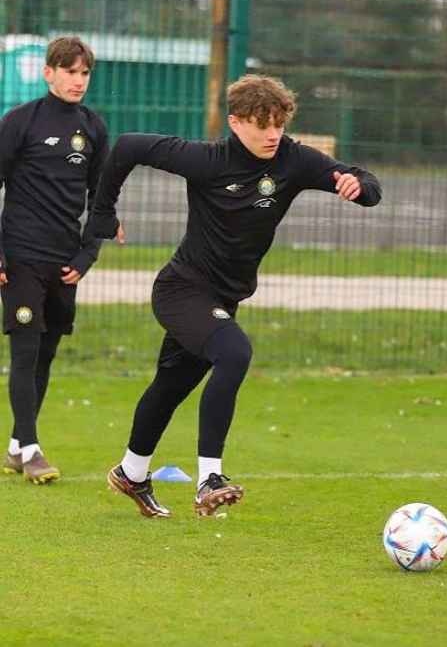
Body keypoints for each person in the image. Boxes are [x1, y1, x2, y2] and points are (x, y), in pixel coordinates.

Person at [90, 74, 382, 518]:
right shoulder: (205, 160)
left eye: (279, 124)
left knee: (170, 386)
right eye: (262, 124)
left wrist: (359, 188)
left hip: (222, 299)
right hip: (181, 290)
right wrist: (102, 214)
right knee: (234, 352)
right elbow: (128, 145)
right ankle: (210, 479)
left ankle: (131, 473)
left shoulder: (293, 160)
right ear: (235, 122)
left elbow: (363, 180)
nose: (272, 134)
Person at [0, 36, 110, 484]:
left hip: (65, 262)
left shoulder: (94, 128)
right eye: (70, 71)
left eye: (85, 73)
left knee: (45, 354)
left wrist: (87, 255)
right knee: (25, 351)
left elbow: (102, 199)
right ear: (49, 73)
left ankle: (15, 446)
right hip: (21, 257)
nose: (78, 80)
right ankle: (32, 449)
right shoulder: (19, 121)